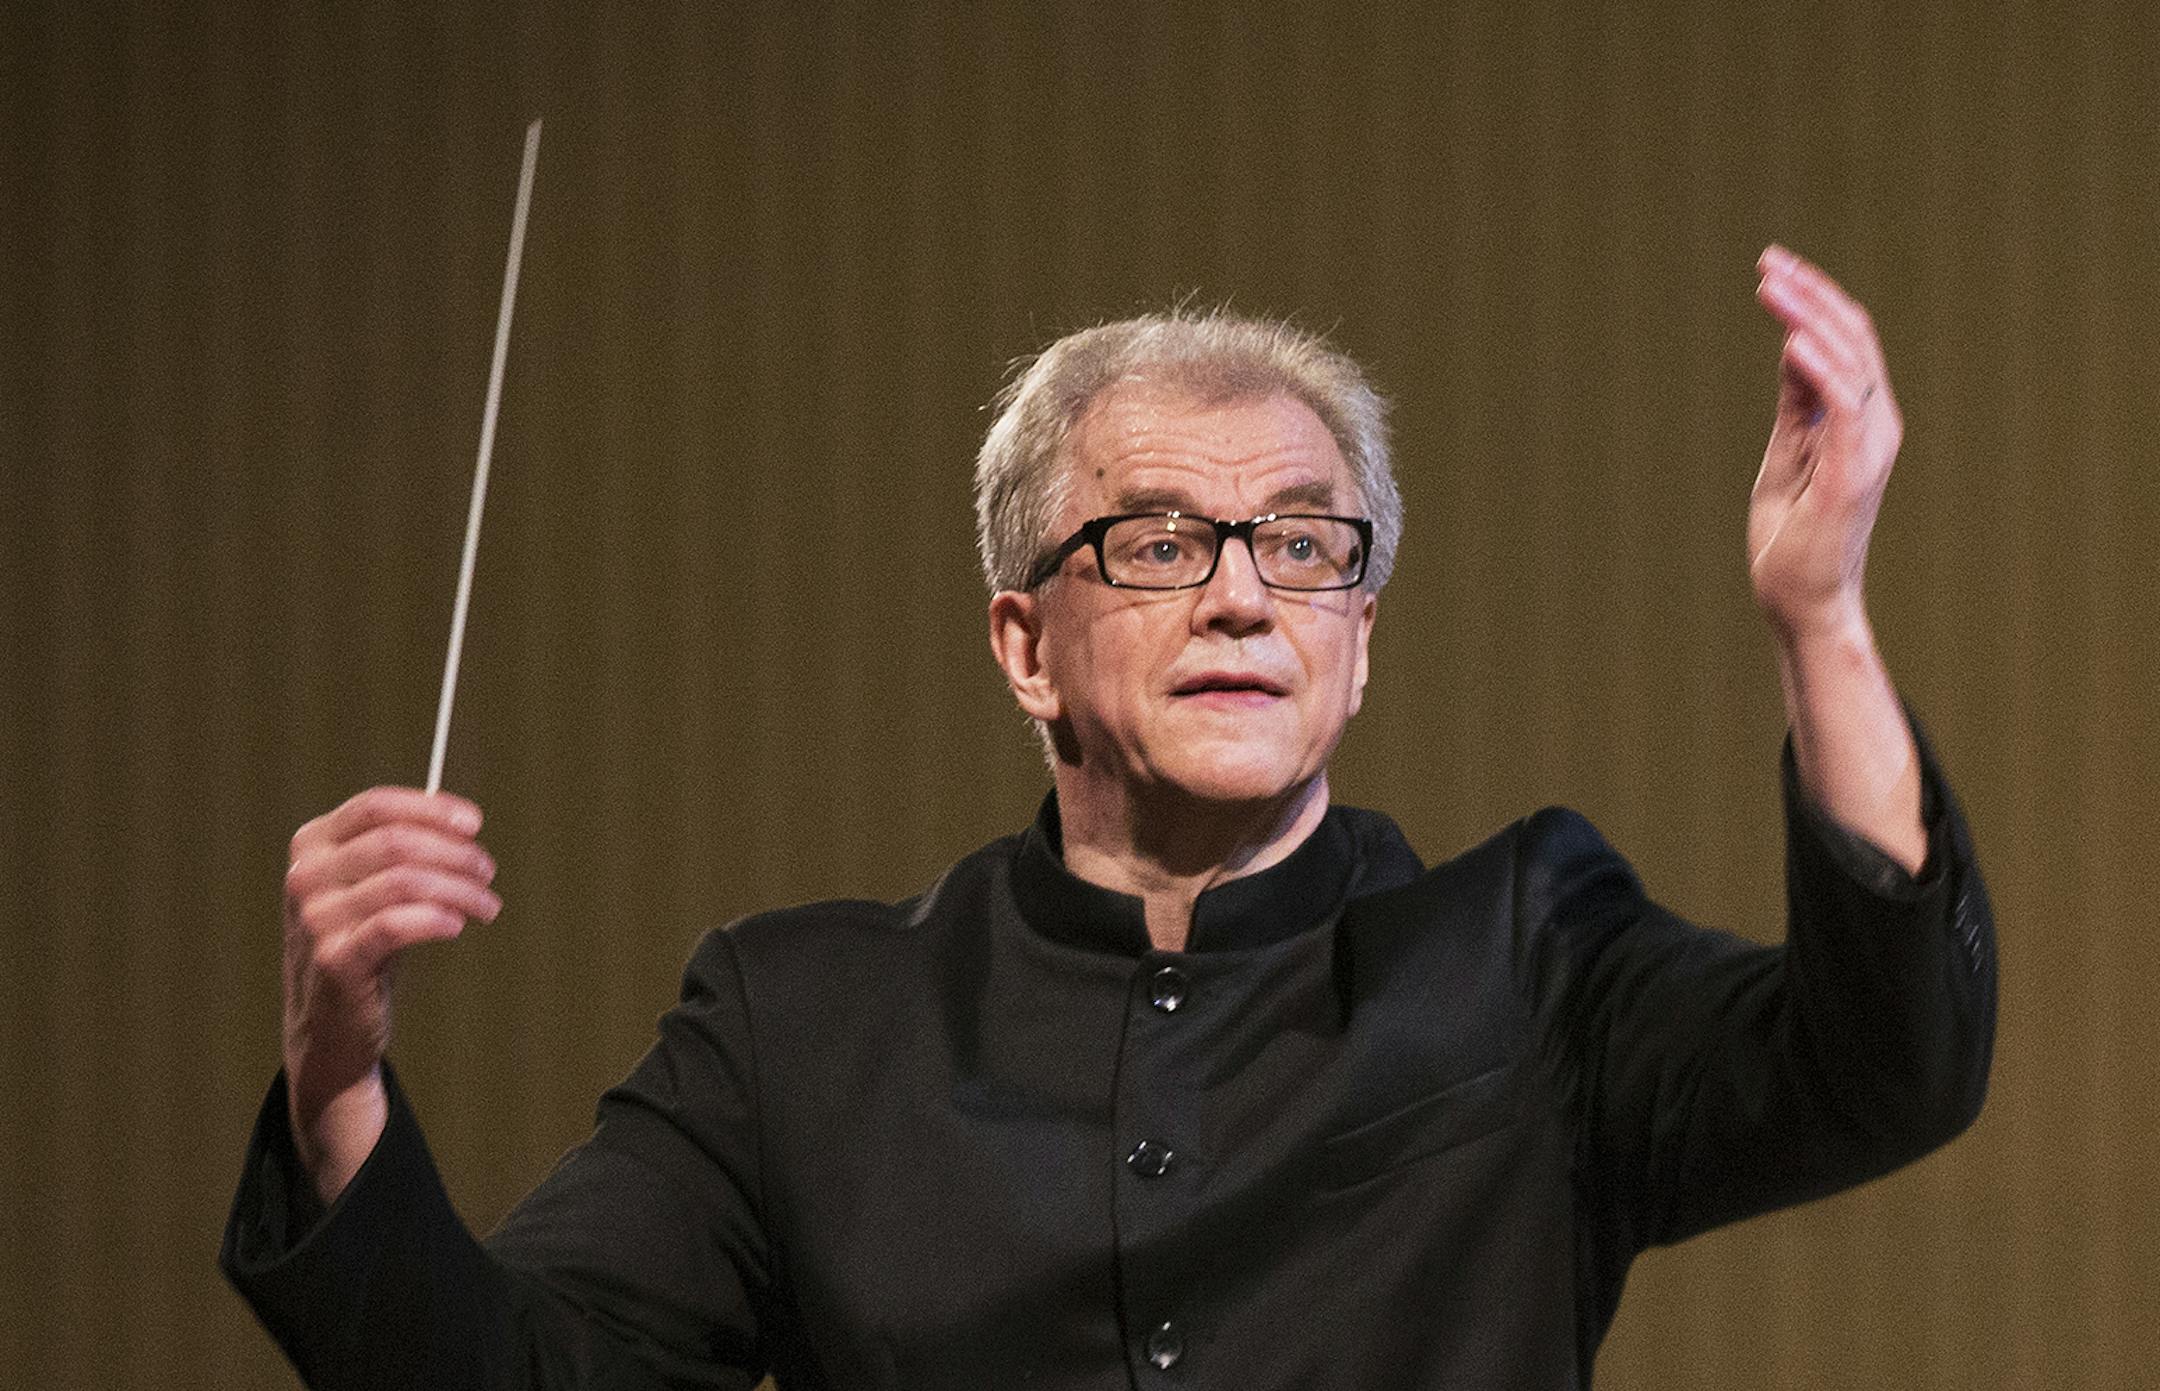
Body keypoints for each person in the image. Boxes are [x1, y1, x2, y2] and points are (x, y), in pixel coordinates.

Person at [222, 246, 1996, 1390]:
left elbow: (1887, 1063)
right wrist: (340, 1082)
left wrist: (1818, 617)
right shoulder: (801, 1027)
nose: (1242, 597)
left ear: (1358, 641)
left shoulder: (1529, 952)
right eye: (1158, 543)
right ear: (1025, 643)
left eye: (1306, 547)